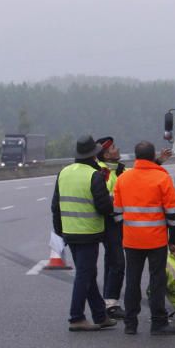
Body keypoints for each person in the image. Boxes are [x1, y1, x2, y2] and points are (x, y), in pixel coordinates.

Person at [113, 141, 175, 335]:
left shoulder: (123, 179)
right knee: (156, 280)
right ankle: (158, 322)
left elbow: (117, 213)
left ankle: (130, 323)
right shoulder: (161, 178)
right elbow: (173, 211)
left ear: (136, 156)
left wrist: (126, 230)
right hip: (156, 240)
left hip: (132, 240)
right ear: (153, 155)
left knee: (132, 280)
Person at [51, 135, 117, 331]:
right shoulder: (94, 175)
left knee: (87, 274)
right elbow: (104, 207)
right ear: (94, 155)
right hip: (89, 232)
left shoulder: (63, 172)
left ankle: (99, 315)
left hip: (70, 232)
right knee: (84, 275)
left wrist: (59, 231)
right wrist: (113, 201)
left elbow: (55, 206)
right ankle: (76, 317)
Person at [96, 136, 126, 318]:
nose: (118, 148)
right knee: (117, 262)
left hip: (116, 221)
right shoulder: (103, 172)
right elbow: (106, 197)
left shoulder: (118, 169)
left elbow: (136, 175)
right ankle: (111, 304)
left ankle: (108, 301)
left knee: (111, 260)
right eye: (114, 147)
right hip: (109, 221)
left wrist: (156, 161)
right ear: (107, 154)